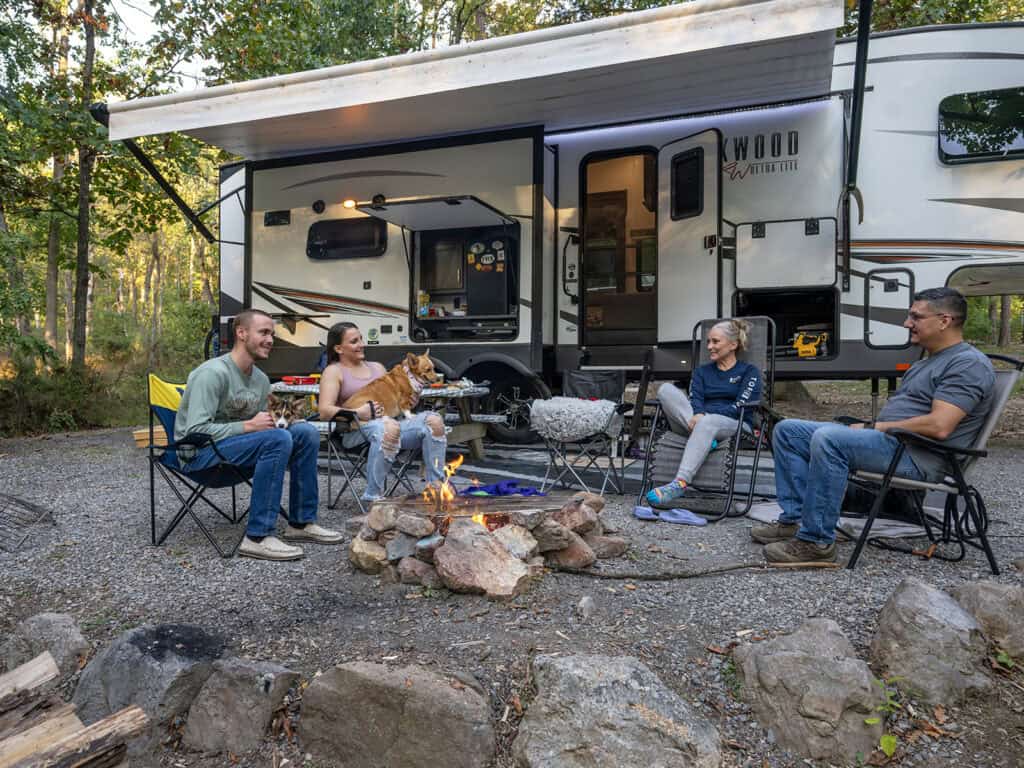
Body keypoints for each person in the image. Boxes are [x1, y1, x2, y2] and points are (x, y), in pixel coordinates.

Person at [752, 287, 995, 564]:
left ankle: (817, 541)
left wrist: (875, 428)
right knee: (787, 431)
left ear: (944, 321)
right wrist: (873, 427)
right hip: (895, 444)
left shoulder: (967, 364)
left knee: (829, 438)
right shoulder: (928, 361)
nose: (907, 323)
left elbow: (940, 426)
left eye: (916, 317)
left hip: (920, 456)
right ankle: (795, 520)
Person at [175, 309, 343, 561]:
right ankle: (258, 537)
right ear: (241, 333)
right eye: (263, 332)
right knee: (278, 438)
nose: (270, 340)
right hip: (199, 456)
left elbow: (260, 427)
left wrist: (257, 427)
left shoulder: (261, 380)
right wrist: (248, 427)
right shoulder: (212, 374)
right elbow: (194, 431)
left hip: (234, 451)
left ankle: (300, 523)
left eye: (272, 334)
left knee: (305, 432)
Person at [317, 322, 447, 501]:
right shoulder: (333, 372)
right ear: (339, 348)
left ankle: (437, 490)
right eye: (354, 341)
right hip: (355, 431)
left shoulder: (377, 367)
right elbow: (324, 411)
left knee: (434, 420)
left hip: (391, 425)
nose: (362, 344)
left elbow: (397, 399)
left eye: (361, 339)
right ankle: (373, 496)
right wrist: (358, 412)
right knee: (388, 427)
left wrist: (411, 400)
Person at [646, 318, 761, 505]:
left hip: (736, 425)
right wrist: (699, 414)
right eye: (708, 341)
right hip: (696, 422)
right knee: (665, 390)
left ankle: (680, 482)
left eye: (715, 341)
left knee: (708, 422)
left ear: (733, 344)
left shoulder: (749, 371)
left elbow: (742, 404)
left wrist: (706, 417)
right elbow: (696, 398)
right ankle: (705, 438)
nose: (709, 346)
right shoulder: (702, 371)